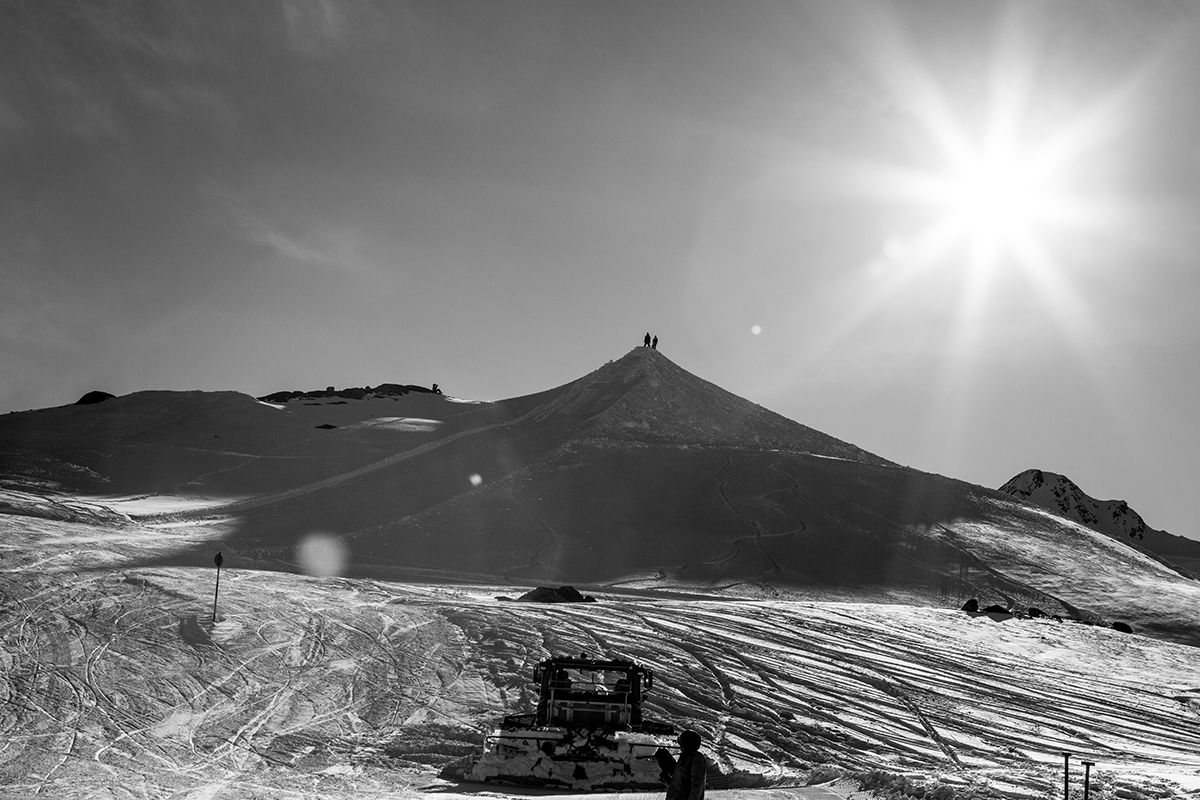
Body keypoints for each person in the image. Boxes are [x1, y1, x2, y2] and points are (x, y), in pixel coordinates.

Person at [664, 730, 706, 800]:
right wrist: (664, 773)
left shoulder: (696, 758)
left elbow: (697, 786)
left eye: (681, 742)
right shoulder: (683, 758)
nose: (680, 745)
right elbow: (677, 787)